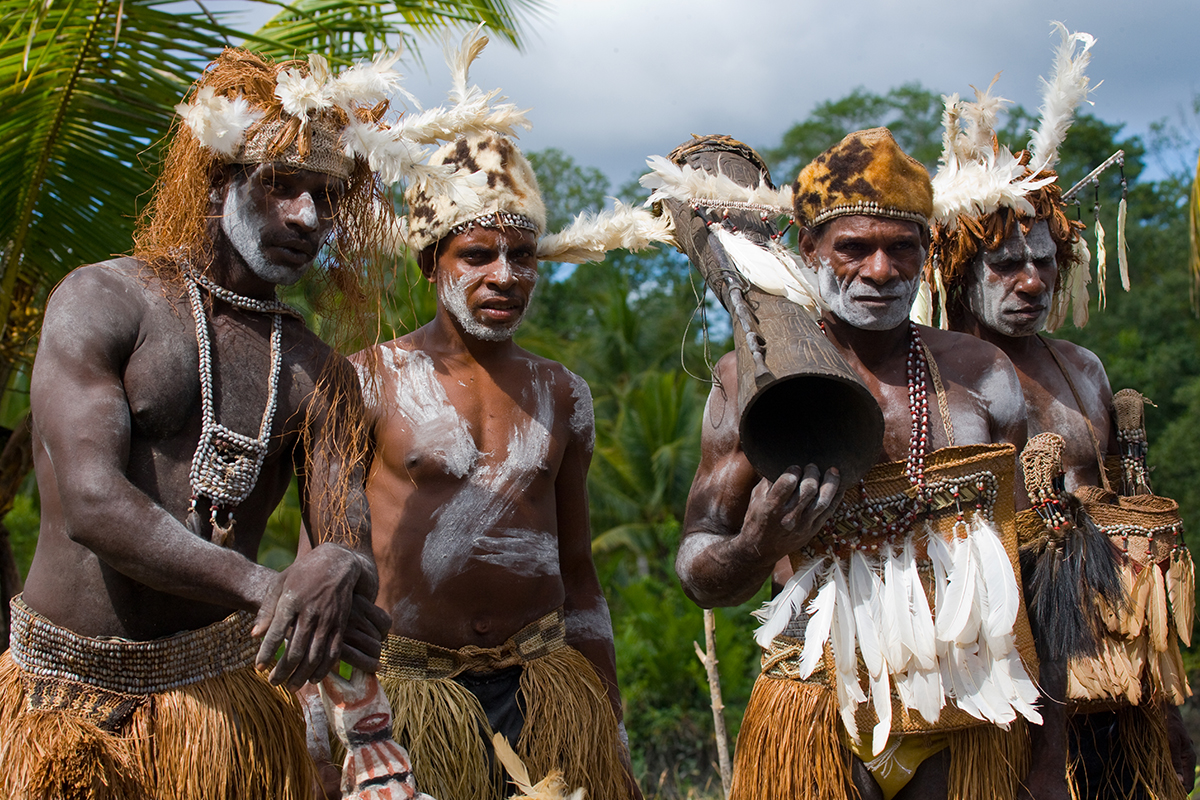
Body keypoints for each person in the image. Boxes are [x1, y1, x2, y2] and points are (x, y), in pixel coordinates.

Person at [0, 47, 407, 799]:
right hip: (61, 702)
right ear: (218, 179)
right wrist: (267, 587)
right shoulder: (104, 300)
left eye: (326, 196)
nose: (308, 217)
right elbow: (91, 502)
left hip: (219, 712)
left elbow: (346, 539)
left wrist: (341, 570)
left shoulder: (324, 374)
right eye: (281, 186)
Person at [676, 128, 1049, 800]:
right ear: (808, 248)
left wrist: (1051, 757)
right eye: (853, 248)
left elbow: (1033, 566)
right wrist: (759, 544)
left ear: (927, 251)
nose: (879, 270)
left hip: (966, 702)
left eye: (901, 248)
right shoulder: (753, 381)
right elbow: (700, 572)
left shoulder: (983, 374)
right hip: (815, 705)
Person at [927, 26, 1195, 797]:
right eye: (1007, 264)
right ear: (959, 266)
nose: (1031, 281)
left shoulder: (1083, 368)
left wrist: (1155, 684)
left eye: (1045, 263)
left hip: (1115, 656)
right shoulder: (937, 381)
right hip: (1001, 668)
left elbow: (1121, 505)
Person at [348, 129, 639, 800]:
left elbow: (578, 568)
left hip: (542, 685)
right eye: (476, 255)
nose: (505, 275)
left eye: (524, 256)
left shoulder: (562, 393)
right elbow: (327, 560)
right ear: (430, 263)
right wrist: (336, 714)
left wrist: (609, 713)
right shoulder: (369, 380)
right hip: (412, 690)